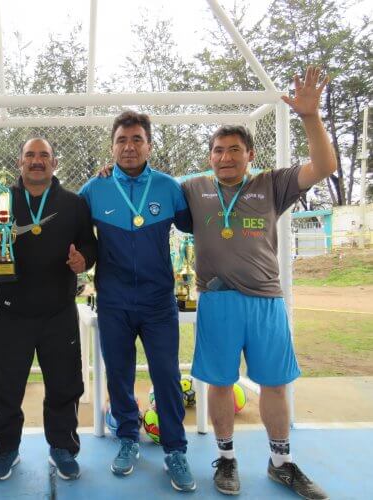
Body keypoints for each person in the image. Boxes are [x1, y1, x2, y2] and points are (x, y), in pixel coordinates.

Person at [182, 66, 335, 499]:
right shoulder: (193, 188)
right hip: (218, 301)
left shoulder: (273, 184)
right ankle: (227, 458)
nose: (225, 157)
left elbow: (325, 165)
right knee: (220, 383)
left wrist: (310, 116)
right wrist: (107, 172)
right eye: (218, 150)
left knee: (273, 383)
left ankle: (281, 462)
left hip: (266, 301)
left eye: (234, 150)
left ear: (250, 155)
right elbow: (147, 191)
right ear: (209, 156)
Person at [79, 110, 196, 492]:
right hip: (113, 301)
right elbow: (73, 228)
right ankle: (128, 438)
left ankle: (175, 449)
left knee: (167, 375)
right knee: (119, 375)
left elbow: (195, 223)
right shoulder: (94, 188)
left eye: (136, 140)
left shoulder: (168, 186)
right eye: (121, 141)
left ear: (148, 144)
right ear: (112, 146)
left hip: (159, 301)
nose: (129, 147)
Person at [0, 138, 97, 482]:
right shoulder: (0, 201)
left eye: (44, 155)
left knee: (64, 385)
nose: (37, 160)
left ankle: (62, 448)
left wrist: (82, 259)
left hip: (58, 311)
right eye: (30, 155)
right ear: (20, 162)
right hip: (11, 310)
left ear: (54, 163)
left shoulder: (73, 204)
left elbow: (89, 242)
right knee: (5, 386)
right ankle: (5, 450)